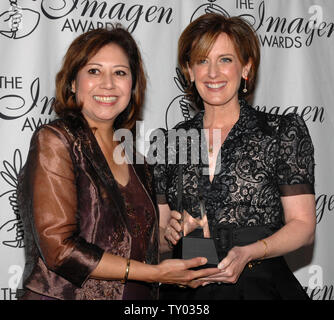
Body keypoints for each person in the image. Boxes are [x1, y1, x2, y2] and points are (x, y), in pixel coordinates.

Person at [17, 26, 220, 300]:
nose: (108, 83)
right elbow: (60, 250)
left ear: (132, 85)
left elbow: (138, 250)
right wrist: (155, 274)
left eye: (120, 73)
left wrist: (170, 236)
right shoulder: (56, 140)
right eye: (94, 71)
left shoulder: (138, 161)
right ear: (73, 83)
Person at [152, 13, 316, 300]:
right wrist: (168, 234)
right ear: (189, 71)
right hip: (189, 294)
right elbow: (159, 239)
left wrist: (250, 252)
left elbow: (303, 226)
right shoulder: (169, 141)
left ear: (246, 68)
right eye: (202, 61)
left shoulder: (280, 132)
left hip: (260, 288)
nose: (213, 73)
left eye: (225, 59)